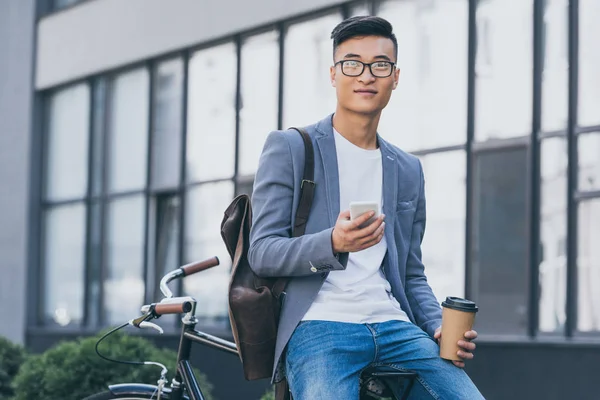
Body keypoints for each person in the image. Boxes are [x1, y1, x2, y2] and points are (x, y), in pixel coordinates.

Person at [248, 15, 484, 400]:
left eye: (380, 65)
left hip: (394, 325)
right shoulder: (291, 147)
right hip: (319, 325)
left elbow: (410, 272)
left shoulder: (407, 168)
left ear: (395, 77)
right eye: (352, 63)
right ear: (334, 73)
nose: (366, 75)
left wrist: (435, 324)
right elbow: (262, 253)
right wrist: (333, 242)